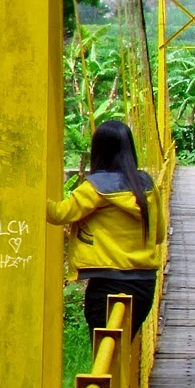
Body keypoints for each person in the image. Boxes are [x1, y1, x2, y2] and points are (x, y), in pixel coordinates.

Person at [48, 120, 165, 334]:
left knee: (105, 356)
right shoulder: (147, 186)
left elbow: (59, 214)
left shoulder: (94, 188)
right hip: (144, 285)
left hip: (108, 285)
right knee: (120, 355)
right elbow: (158, 236)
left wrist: (30, 195)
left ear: (99, 150)